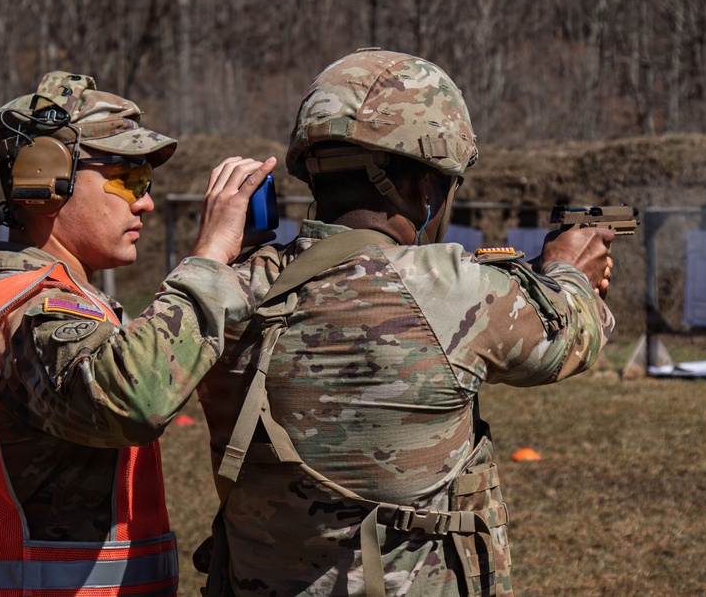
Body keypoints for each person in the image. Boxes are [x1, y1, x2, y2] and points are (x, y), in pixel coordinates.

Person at [194, 49, 616, 596]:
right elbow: (572, 337)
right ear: (424, 188)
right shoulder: (448, 287)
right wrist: (569, 271)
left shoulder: (222, 288)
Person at [0, 71, 276, 596]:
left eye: (146, 183)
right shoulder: (30, 309)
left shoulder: (24, 297)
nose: (145, 202)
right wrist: (209, 260)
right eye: (126, 178)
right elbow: (136, 398)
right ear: (46, 177)